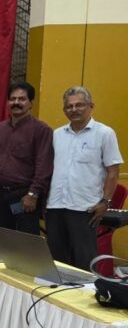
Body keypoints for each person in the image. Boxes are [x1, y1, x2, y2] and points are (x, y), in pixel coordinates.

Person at [47, 87, 122, 270]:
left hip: (84, 209)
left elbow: (113, 170)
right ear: (64, 110)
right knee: (56, 261)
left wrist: (105, 202)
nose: (74, 109)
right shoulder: (56, 135)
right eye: (69, 106)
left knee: (84, 262)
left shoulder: (104, 133)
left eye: (79, 105)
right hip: (55, 206)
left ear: (91, 106)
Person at [0, 82, 53, 235]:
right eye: (13, 99)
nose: (16, 103)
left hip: (23, 195)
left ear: (31, 103)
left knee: (26, 240)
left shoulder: (42, 130)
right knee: (3, 238)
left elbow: (44, 165)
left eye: (22, 99)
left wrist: (33, 194)